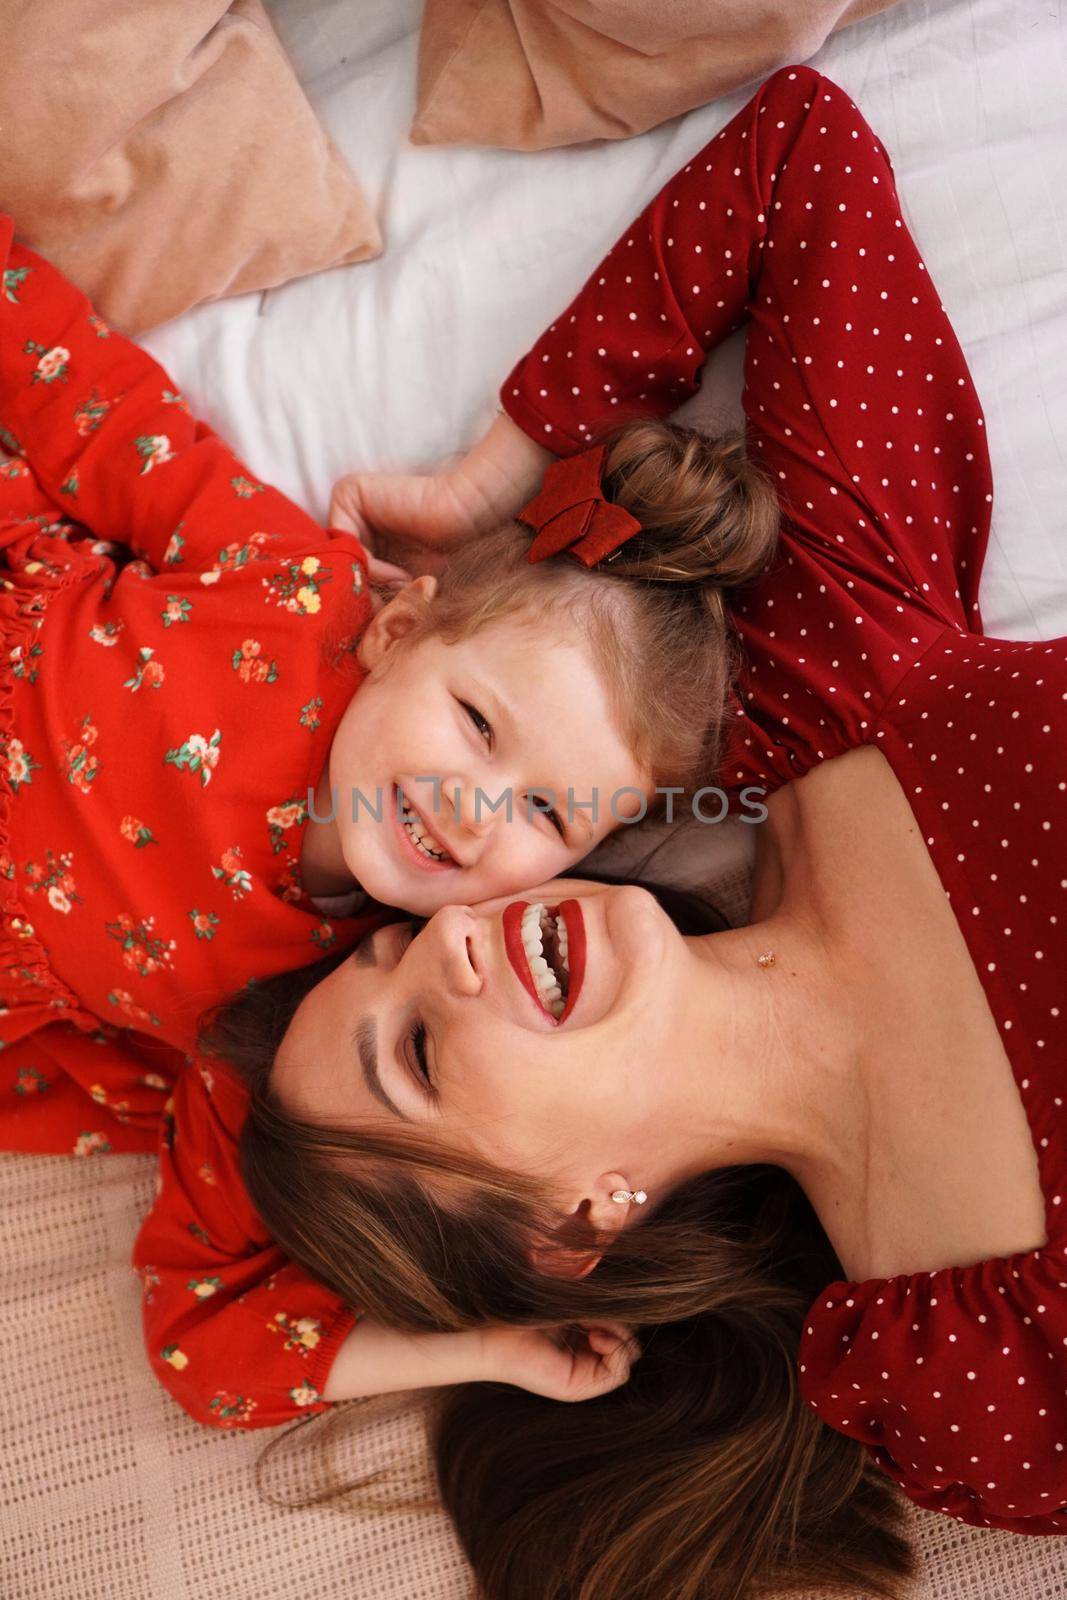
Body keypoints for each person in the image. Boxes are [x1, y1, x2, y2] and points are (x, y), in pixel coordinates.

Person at [183, 62, 1065, 1600]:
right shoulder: (961, 1373)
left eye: (395, 945)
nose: (448, 943)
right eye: (418, 1054)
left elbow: (801, 160)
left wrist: (490, 479)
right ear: (565, 1232)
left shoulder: (815, 682)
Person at [0, 209, 779, 1160]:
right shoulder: (292, 593)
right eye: (478, 725)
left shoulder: (346, 999)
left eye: (547, 810)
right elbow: (111, 422)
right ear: (400, 632)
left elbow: (201, 1142)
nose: (474, 809)